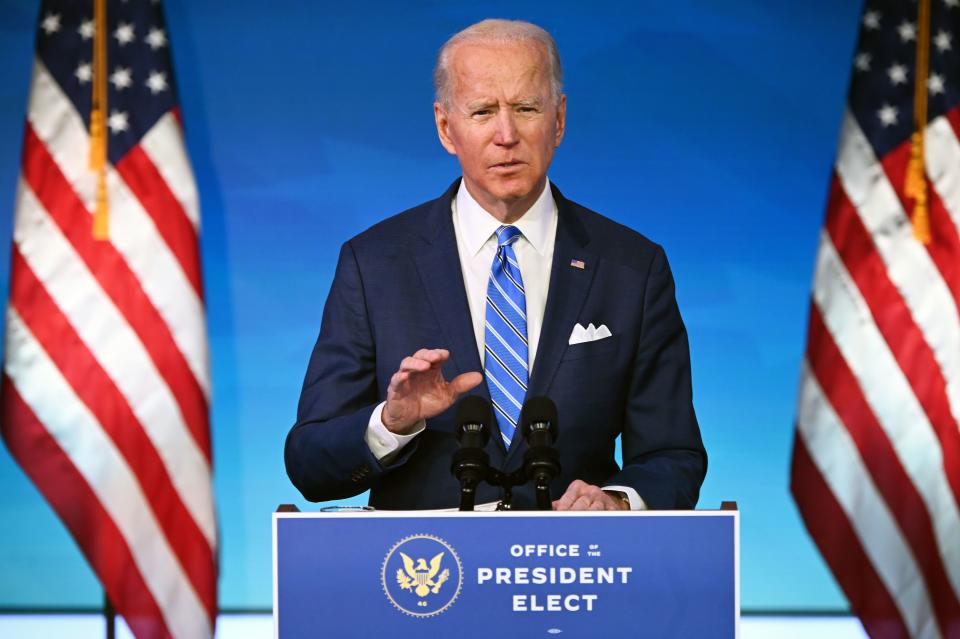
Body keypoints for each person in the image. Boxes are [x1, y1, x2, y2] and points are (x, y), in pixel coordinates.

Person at [285, 19, 706, 511]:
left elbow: (672, 453)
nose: (506, 135)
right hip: (423, 574)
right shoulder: (374, 264)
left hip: (570, 573)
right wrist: (391, 422)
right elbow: (310, 465)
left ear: (559, 119)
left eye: (526, 108)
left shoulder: (632, 267)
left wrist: (617, 501)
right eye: (483, 111)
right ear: (447, 128)